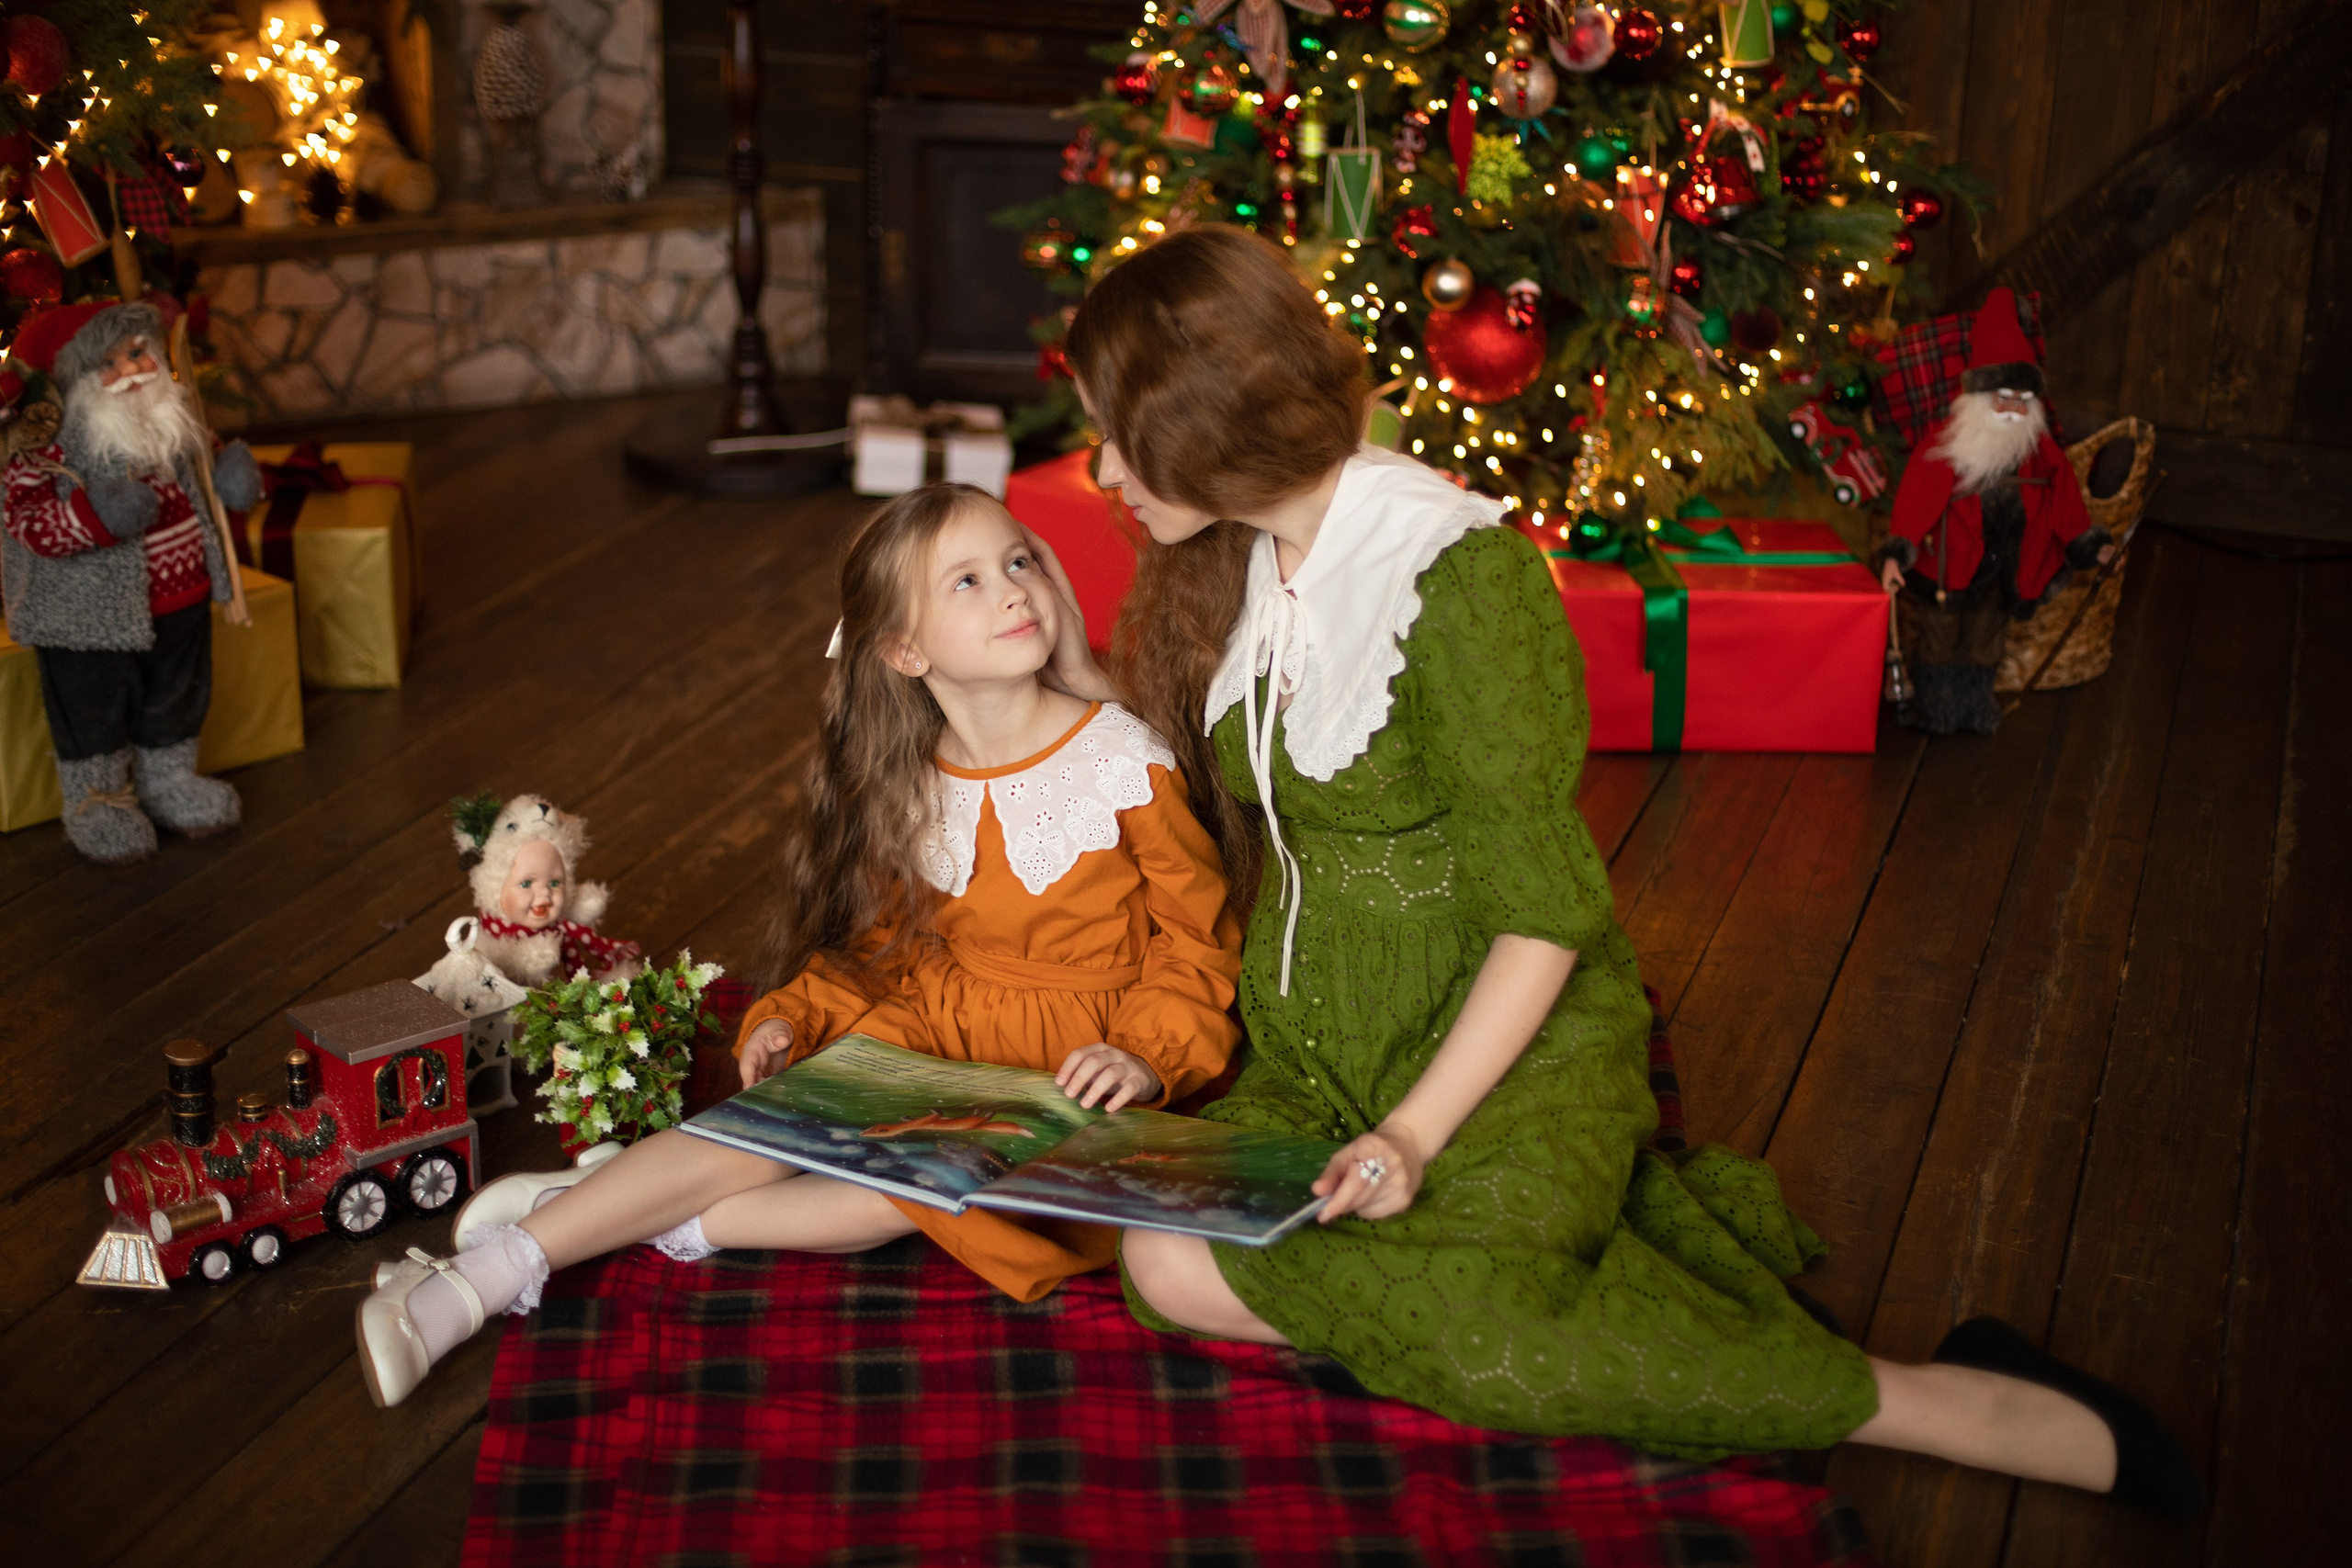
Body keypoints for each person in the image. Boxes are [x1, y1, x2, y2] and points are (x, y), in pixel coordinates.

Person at [1016, 224, 2199, 1516]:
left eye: (1118, 436)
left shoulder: (1458, 578)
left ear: (1200, 423)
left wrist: (1413, 1133)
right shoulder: (1227, 562)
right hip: (1310, 1053)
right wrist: (1065, 684)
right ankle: (1509, 1333)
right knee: (1168, 1262)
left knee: (1486, 1322)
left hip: (1500, 1048)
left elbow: (1547, 912)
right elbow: (1247, 797)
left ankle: (1922, 1397)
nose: (1104, 470)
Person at [356, 483, 1242, 1408]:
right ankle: (466, 1288)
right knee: (780, 1121)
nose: (1015, 591)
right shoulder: (918, 780)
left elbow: (1197, 943)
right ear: (903, 650)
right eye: (968, 582)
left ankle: (605, 1210)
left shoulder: (1119, 759)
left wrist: (1144, 1054)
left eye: (1018, 562)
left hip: (1069, 1065)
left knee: (888, 1194)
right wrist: (793, 1015)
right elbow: (892, 953)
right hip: (936, 1032)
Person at [0, 299, 263, 863]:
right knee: (93, 708)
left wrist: (230, 472)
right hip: (84, 621)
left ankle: (168, 781)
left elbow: (202, 460)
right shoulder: (45, 446)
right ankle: (99, 800)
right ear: (69, 377)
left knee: (176, 696)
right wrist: (94, 518)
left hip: (182, 600)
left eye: (138, 353)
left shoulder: (168, 419)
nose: (131, 371)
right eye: (109, 363)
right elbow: (25, 520)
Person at [1874, 287, 2112, 736]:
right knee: (1942, 637)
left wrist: (2087, 544)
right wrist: (1898, 550)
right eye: (2002, 398)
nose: (2011, 410)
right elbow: (1917, 498)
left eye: (2022, 401)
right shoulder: (1948, 446)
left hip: (2008, 566)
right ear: (1979, 397)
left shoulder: (2040, 450)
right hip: (1950, 565)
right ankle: (1939, 704)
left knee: (1987, 637)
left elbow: (2064, 497)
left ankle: (1976, 699)